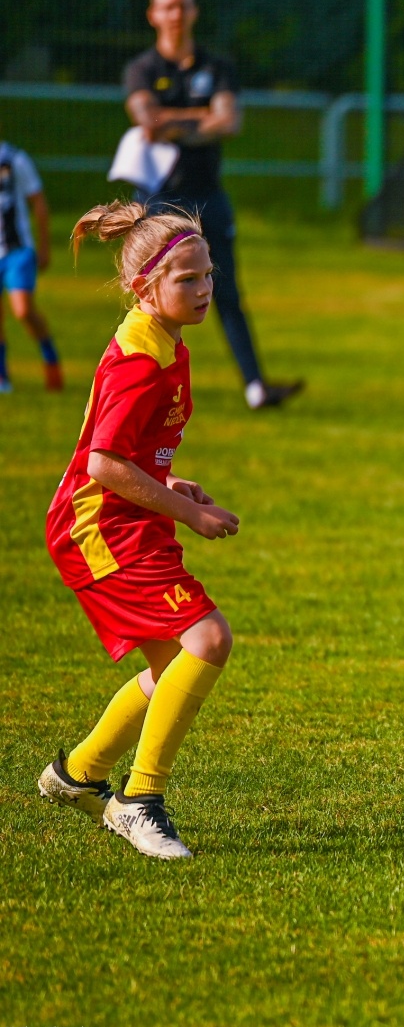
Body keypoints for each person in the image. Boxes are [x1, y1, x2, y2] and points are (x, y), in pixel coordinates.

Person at [37, 200, 240, 861]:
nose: (205, 288)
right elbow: (101, 463)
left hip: (123, 516)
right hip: (99, 527)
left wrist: (167, 479)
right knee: (207, 639)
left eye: (208, 274)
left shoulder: (159, 338)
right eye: (188, 279)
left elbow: (122, 451)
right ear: (141, 286)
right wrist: (188, 511)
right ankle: (137, 801)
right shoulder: (141, 358)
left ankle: (76, 775)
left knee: (172, 663)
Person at [123, 0, 301, 409]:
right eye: (167, 7)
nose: (176, 14)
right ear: (153, 15)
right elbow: (148, 119)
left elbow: (229, 123)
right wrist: (201, 117)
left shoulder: (217, 66)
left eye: (182, 5)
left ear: (194, 11)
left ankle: (256, 388)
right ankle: (142, 388)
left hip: (208, 198)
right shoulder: (142, 69)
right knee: (152, 299)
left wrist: (173, 122)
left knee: (225, 292)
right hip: (159, 201)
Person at [0, 130, 61, 393]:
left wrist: (44, 247)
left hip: (18, 250)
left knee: (23, 310)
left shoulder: (15, 160)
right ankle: (3, 376)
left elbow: (38, 203)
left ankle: (50, 357)